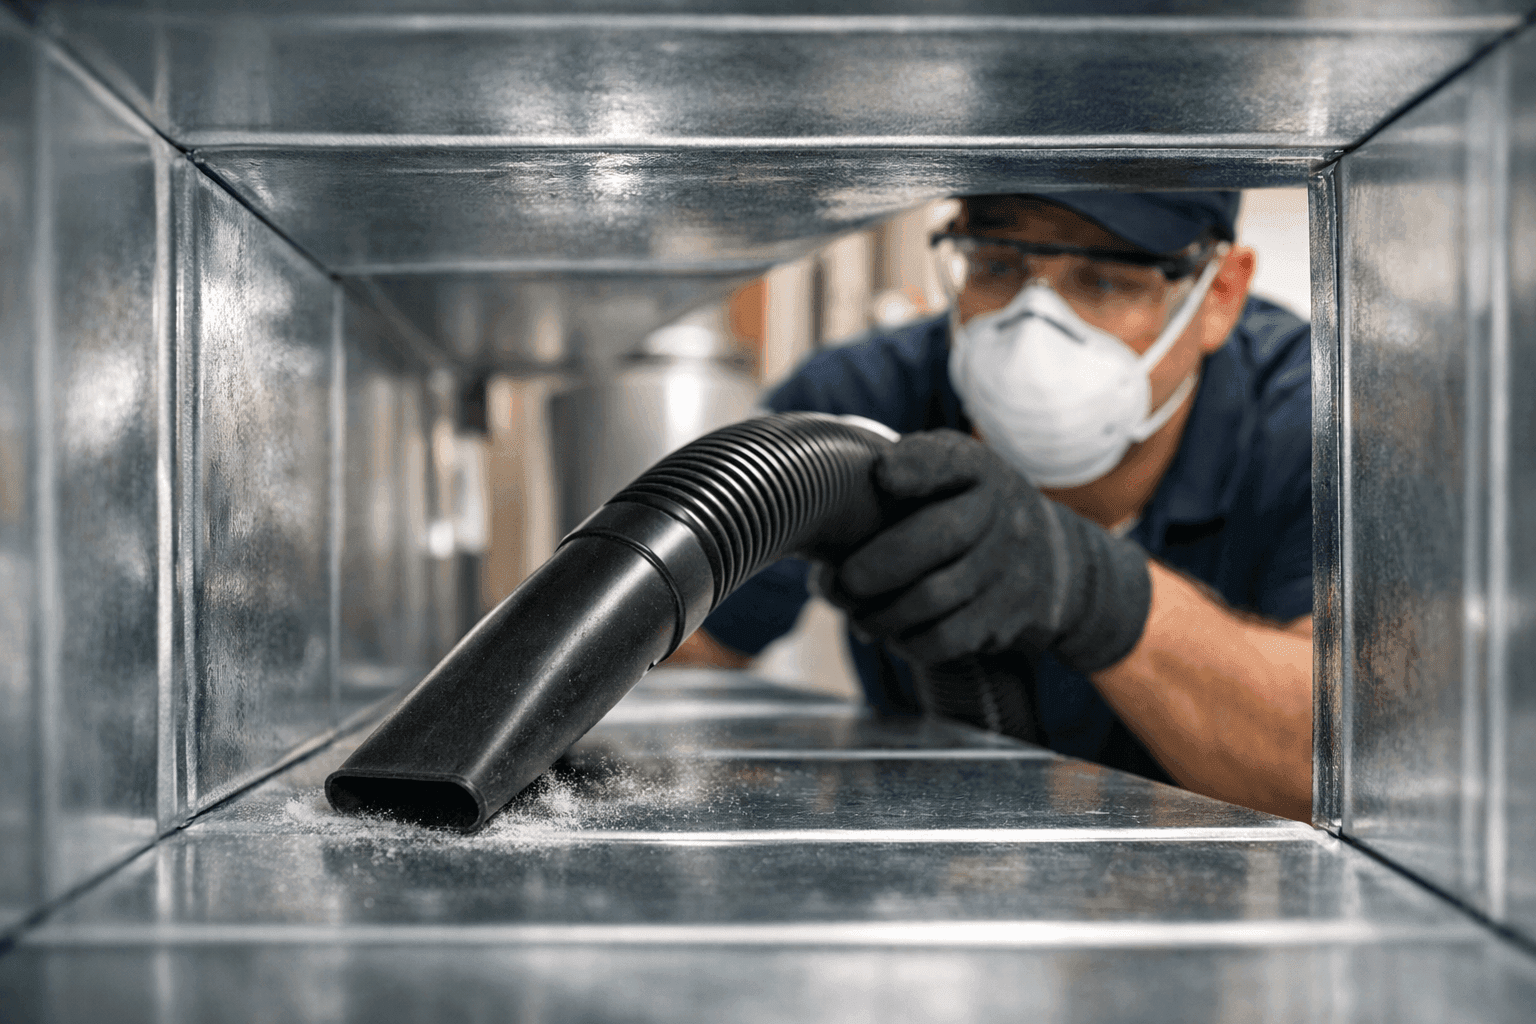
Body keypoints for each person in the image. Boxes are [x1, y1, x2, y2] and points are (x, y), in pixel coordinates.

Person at [672, 191, 1312, 821]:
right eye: (996, 266)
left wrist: (1087, 587)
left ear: (1219, 295)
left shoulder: (1318, 423)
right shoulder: (866, 399)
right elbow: (685, 641)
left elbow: (1345, 763)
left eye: (1105, 281)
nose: (1035, 330)